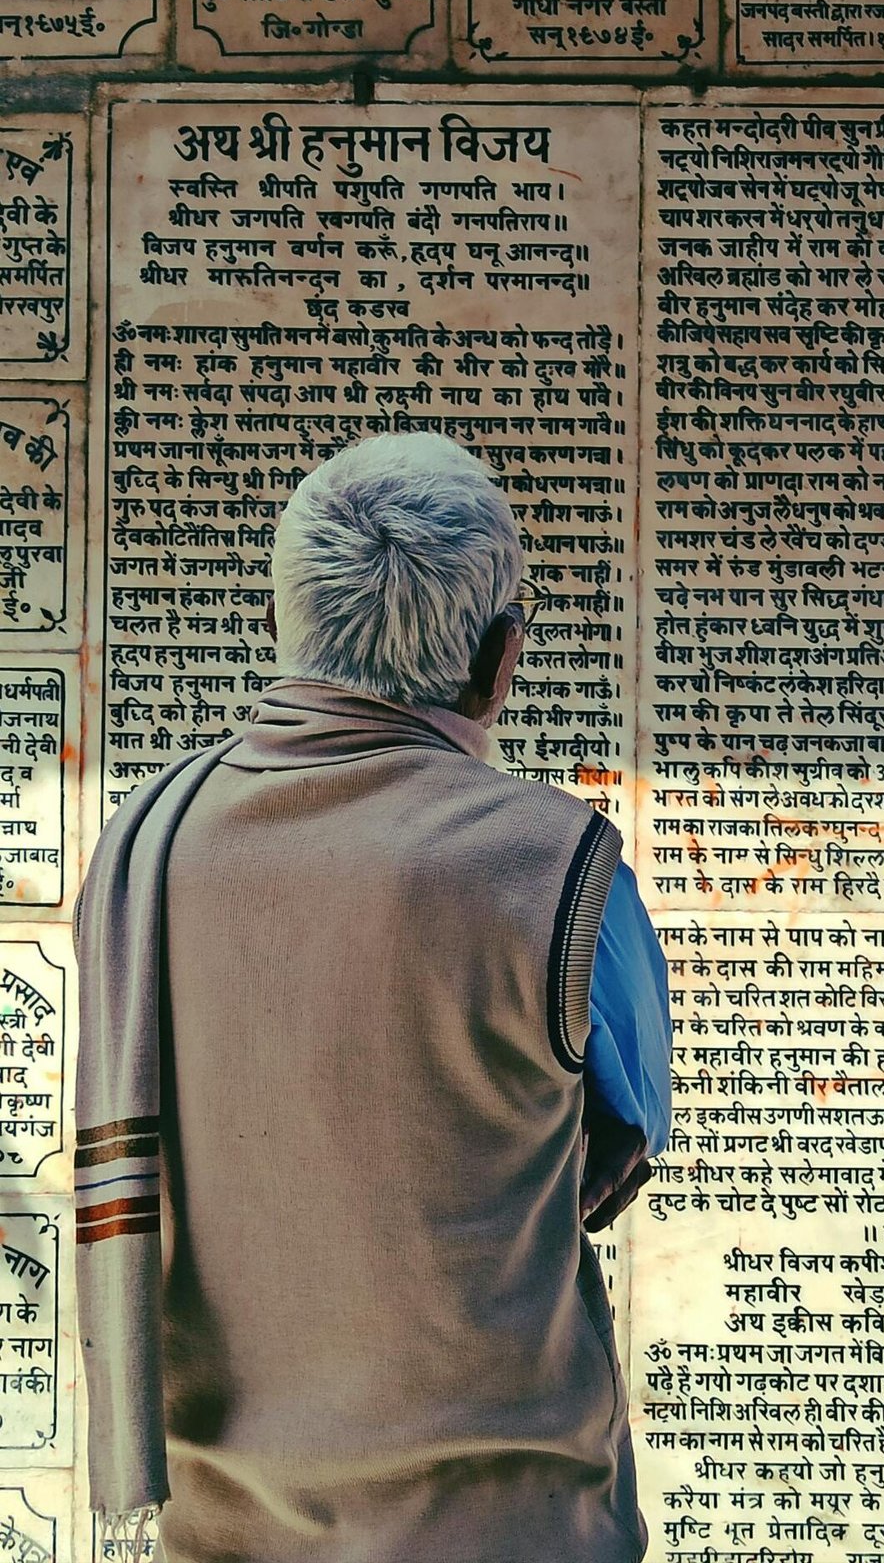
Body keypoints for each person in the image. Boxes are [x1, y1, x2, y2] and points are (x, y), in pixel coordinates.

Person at [73, 433, 670, 1562]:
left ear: (279, 637)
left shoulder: (140, 848)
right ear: (500, 661)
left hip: (225, 1529)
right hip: (520, 1529)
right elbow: (622, 1147)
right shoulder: (564, 865)